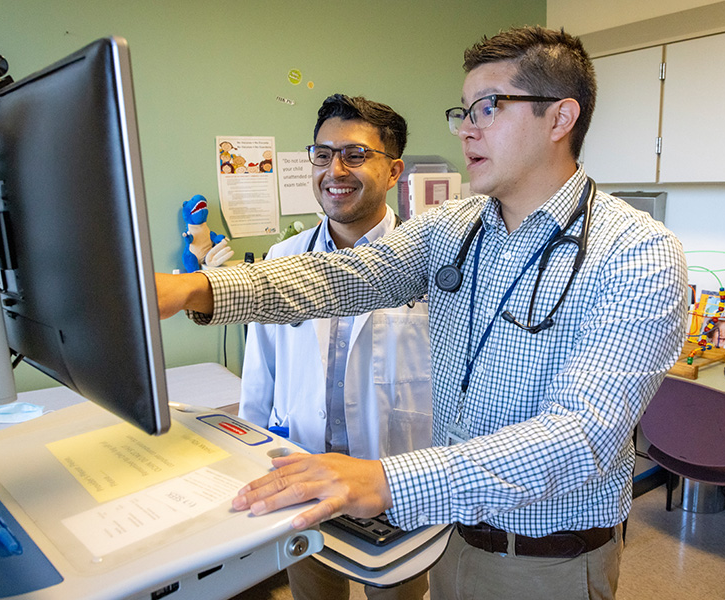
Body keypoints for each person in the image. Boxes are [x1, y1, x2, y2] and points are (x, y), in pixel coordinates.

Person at [157, 25, 688, 600]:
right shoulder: (456, 227)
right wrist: (194, 290)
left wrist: (385, 478)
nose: (467, 129)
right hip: (446, 534)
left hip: (542, 560)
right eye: (462, 111)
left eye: (489, 108)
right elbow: (341, 275)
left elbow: (582, 436)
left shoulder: (638, 252)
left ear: (560, 119)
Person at [239, 94, 432, 600]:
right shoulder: (284, 259)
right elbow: (261, 379)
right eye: (322, 155)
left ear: (393, 172)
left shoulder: (433, 266)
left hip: (394, 484)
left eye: (354, 154)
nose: (334, 170)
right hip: (303, 482)